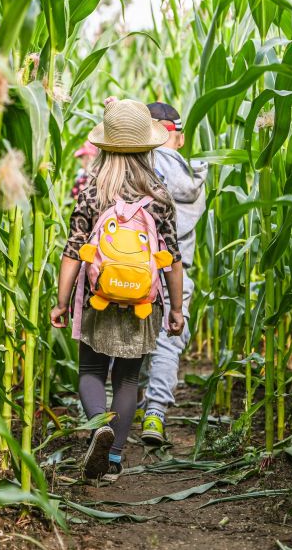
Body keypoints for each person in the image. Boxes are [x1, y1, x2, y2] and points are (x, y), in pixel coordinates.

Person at [50, 98, 185, 482]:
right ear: (148, 146)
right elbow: (171, 257)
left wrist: (62, 303)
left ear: (105, 145)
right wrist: (175, 309)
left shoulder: (94, 189)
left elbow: (74, 249)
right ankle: (112, 459)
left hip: (97, 299)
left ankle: (98, 429)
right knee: (127, 378)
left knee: (91, 370)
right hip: (143, 303)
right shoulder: (159, 195)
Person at [138, 101, 207, 445]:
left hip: (136, 269)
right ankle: (154, 415)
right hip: (177, 273)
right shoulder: (194, 180)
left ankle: (125, 410)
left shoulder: (136, 168)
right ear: (176, 137)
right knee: (167, 342)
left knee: (133, 341)